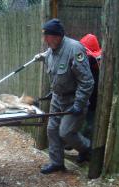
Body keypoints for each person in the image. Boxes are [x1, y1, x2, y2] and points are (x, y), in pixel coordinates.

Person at [34, 19, 94, 174]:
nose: (44, 40)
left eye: (46, 36)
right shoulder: (52, 49)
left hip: (74, 100)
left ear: (56, 36)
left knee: (65, 132)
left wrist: (79, 104)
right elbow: (48, 55)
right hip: (57, 98)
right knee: (52, 130)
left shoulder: (74, 50)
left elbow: (87, 81)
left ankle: (87, 148)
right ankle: (57, 163)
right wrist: (39, 57)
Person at [79, 34, 101, 141]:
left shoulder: (92, 61)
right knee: (83, 122)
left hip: (91, 98)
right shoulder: (92, 61)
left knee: (89, 124)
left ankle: (84, 151)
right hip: (86, 97)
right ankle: (77, 143)